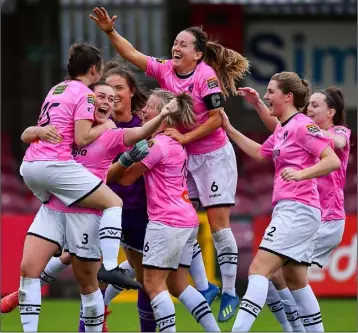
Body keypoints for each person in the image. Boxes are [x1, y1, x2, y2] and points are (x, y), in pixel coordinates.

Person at [90, 7, 250, 321]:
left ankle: (230, 290)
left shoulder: (206, 77)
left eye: (183, 44)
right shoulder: (165, 71)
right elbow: (133, 54)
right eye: (175, 42)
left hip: (214, 156)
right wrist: (109, 31)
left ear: (199, 55)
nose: (176, 47)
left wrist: (184, 139)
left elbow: (217, 118)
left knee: (217, 224)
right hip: (184, 155)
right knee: (179, 216)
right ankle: (204, 287)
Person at [16, 79, 181, 332]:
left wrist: (163, 116)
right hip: (55, 209)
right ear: (87, 102)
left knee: (88, 286)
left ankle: (108, 274)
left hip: (86, 216)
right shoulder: (69, 131)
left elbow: (138, 133)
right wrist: (38, 131)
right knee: (28, 268)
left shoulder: (111, 134)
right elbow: (29, 135)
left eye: (112, 99)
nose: (107, 102)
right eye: (101, 97)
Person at [219, 72, 341, 332]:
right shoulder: (284, 129)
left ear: (288, 96)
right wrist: (229, 129)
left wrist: (301, 174)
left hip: (298, 208)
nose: (266, 96)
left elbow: (332, 160)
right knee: (295, 279)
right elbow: (260, 154)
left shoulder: (300, 125)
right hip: (291, 209)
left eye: (271, 91)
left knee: (258, 269)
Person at [108, 89, 220, 332]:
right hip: (187, 219)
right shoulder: (176, 143)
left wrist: (124, 159)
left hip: (166, 222)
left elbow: (125, 180)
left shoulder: (155, 145)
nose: (143, 111)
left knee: (153, 284)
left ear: (162, 114)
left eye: (148, 106)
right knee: (179, 286)